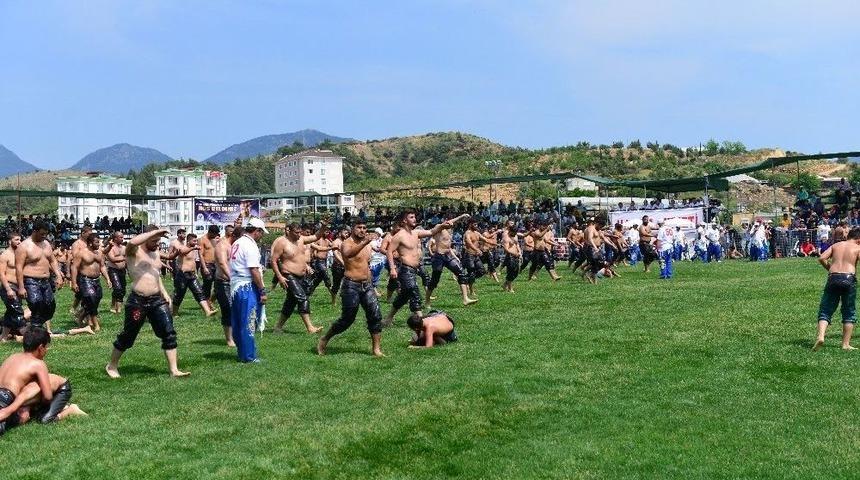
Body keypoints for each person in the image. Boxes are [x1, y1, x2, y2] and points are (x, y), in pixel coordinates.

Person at [106, 226, 190, 378]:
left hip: (157, 300)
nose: (157, 244)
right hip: (137, 301)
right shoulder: (134, 251)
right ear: (146, 237)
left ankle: (174, 370)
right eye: (154, 240)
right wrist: (154, 233)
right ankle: (111, 366)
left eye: (158, 241)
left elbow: (156, 274)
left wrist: (165, 293)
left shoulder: (156, 252)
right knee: (128, 336)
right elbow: (132, 242)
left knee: (169, 333)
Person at [0, 327, 87, 435]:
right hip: (6, 397)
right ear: (41, 348)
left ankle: (70, 410)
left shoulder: (13, 357)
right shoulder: (38, 363)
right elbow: (47, 396)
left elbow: (47, 396)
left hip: (60, 390)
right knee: (19, 417)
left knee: (44, 419)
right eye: (46, 347)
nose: (46, 350)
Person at [318, 220, 385, 357]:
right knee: (347, 319)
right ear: (353, 229)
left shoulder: (367, 246)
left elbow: (366, 265)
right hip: (351, 285)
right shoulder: (347, 243)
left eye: (364, 228)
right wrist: (365, 242)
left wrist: (372, 286)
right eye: (359, 227)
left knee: (375, 315)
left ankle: (376, 349)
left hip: (367, 285)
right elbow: (348, 254)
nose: (362, 230)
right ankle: (325, 339)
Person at [384, 210, 454, 326]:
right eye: (411, 217)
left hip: (414, 269)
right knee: (413, 290)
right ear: (404, 220)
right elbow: (389, 251)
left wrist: (442, 226)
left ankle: (388, 319)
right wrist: (392, 268)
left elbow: (431, 231)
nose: (414, 219)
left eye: (414, 217)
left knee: (403, 296)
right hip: (405, 270)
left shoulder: (416, 233)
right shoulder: (399, 236)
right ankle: (421, 319)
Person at [271, 222, 328, 334]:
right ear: (290, 231)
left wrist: (323, 227)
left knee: (290, 302)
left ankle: (277, 328)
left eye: (299, 232)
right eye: (296, 233)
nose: (299, 235)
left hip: (301, 276)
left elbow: (316, 236)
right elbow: (273, 261)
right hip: (289, 275)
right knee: (303, 298)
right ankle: (310, 328)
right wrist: (280, 277)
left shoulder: (301, 239)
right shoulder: (282, 243)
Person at [813, 228, 860, 351]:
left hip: (833, 278)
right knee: (848, 311)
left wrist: (830, 269)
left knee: (826, 309)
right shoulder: (857, 248)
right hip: (849, 279)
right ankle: (845, 344)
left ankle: (821, 336)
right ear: (859, 240)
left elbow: (822, 258)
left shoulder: (836, 245)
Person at [229, 219, 268, 363]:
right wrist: (262, 290)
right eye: (261, 232)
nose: (261, 236)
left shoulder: (237, 242)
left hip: (236, 285)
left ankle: (242, 352)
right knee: (248, 321)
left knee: (238, 321)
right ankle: (248, 356)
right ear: (256, 231)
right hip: (246, 286)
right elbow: (253, 269)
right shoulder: (249, 246)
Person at [15, 220, 63, 331]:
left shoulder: (46, 244)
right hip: (30, 281)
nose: (44, 236)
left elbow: (52, 260)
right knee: (36, 304)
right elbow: (18, 267)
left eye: (45, 234)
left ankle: (29, 326)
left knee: (50, 306)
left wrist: (58, 275)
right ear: (35, 231)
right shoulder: (24, 246)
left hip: (45, 280)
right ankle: (34, 330)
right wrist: (21, 287)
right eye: (42, 234)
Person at [424, 213, 474, 306]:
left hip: (448, 256)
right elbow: (450, 222)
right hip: (438, 256)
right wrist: (461, 216)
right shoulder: (439, 227)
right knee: (435, 280)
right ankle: (427, 301)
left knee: (461, 274)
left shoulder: (448, 232)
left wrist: (455, 257)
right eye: (448, 222)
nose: (451, 224)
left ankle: (465, 299)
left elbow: (449, 247)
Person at [70, 234, 111, 332]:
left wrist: (108, 279)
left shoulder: (99, 253)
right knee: (91, 299)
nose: (99, 244)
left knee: (97, 298)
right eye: (97, 242)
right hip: (85, 280)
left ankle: (80, 316)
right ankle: (95, 324)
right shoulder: (81, 253)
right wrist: (74, 282)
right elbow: (74, 267)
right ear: (90, 243)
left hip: (96, 280)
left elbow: (102, 267)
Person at [170, 233, 215, 317]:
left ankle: (207, 311)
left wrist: (195, 272)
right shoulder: (183, 247)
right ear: (188, 240)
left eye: (196, 241)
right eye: (194, 241)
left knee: (199, 292)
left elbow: (193, 262)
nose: (196, 242)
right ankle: (174, 313)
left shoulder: (193, 250)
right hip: (182, 275)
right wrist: (193, 248)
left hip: (192, 275)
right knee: (179, 295)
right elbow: (182, 252)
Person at [213, 225, 236, 347]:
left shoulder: (235, 246)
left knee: (236, 309)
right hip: (223, 282)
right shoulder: (222, 245)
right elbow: (222, 263)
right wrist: (231, 278)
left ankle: (235, 335)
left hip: (234, 282)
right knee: (228, 309)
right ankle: (229, 339)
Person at [1, 232, 26, 340]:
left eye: (20, 240)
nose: (19, 242)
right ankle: (30, 337)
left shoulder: (20, 254)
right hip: (8, 287)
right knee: (18, 311)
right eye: (16, 240)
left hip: (18, 286)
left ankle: (3, 337)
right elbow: (1, 274)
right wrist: (8, 289)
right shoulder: (4, 255)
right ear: (9, 241)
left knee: (11, 311)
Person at [103, 231, 127, 314]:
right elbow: (112, 259)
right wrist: (124, 258)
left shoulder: (124, 248)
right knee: (118, 289)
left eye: (122, 237)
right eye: (120, 237)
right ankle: (118, 309)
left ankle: (113, 306)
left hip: (122, 270)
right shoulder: (110, 247)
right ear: (115, 238)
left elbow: (128, 258)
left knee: (123, 290)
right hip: (113, 270)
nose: (122, 239)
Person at [198, 225, 220, 304]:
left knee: (218, 283)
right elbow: (200, 254)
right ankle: (206, 302)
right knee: (208, 283)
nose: (215, 236)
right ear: (210, 232)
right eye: (214, 234)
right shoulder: (202, 240)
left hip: (215, 265)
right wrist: (204, 267)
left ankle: (211, 300)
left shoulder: (214, 240)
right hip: (207, 265)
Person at [329, 228, 350, 305]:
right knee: (336, 285)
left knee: (348, 283)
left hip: (346, 266)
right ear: (340, 233)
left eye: (348, 233)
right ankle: (333, 300)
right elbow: (336, 254)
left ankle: (345, 299)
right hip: (337, 266)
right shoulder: (335, 242)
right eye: (345, 233)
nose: (347, 234)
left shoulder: (346, 242)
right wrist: (342, 262)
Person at [501, 222, 522, 293]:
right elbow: (506, 249)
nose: (514, 234)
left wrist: (519, 251)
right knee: (511, 272)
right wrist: (514, 253)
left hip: (516, 256)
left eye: (515, 233)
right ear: (510, 231)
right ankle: (510, 288)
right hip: (510, 256)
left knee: (516, 272)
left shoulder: (515, 236)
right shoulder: (506, 238)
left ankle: (505, 284)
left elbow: (517, 244)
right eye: (513, 232)